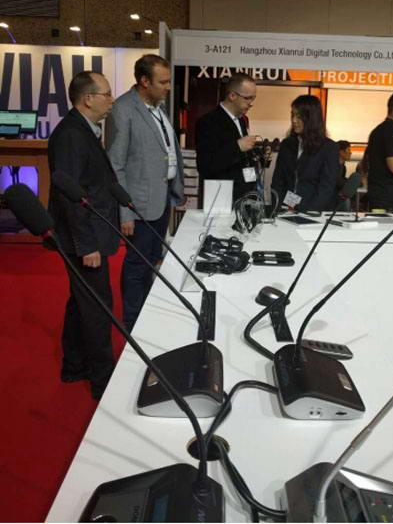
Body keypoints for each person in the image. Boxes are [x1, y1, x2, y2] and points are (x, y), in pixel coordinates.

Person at [48, 71, 118, 400]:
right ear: (88, 99)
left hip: (91, 232)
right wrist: (87, 244)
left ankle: (74, 366)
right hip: (83, 238)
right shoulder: (71, 135)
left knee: (81, 302)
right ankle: (104, 381)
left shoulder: (84, 129)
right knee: (97, 307)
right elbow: (69, 195)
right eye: (107, 94)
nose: (112, 100)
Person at [106, 54, 185, 331]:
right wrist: (125, 212)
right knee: (137, 265)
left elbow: (166, 151)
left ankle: (146, 315)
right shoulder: (123, 109)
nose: (168, 87)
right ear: (144, 81)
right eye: (163, 82)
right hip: (138, 206)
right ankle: (132, 323)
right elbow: (115, 165)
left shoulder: (157, 108)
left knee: (152, 261)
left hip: (161, 200)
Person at [195, 73, 258, 203]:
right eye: (248, 98)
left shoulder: (241, 120)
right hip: (222, 199)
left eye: (253, 98)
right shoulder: (208, 122)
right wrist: (237, 147)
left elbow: (241, 157)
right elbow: (205, 166)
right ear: (232, 96)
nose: (251, 104)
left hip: (245, 197)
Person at [271, 94, 340, 212]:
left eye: (299, 116)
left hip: (313, 213)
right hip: (284, 211)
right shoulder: (286, 145)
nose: (294, 120)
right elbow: (278, 181)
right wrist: (278, 208)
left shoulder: (329, 148)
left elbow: (326, 188)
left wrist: (307, 212)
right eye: (292, 115)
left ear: (311, 118)